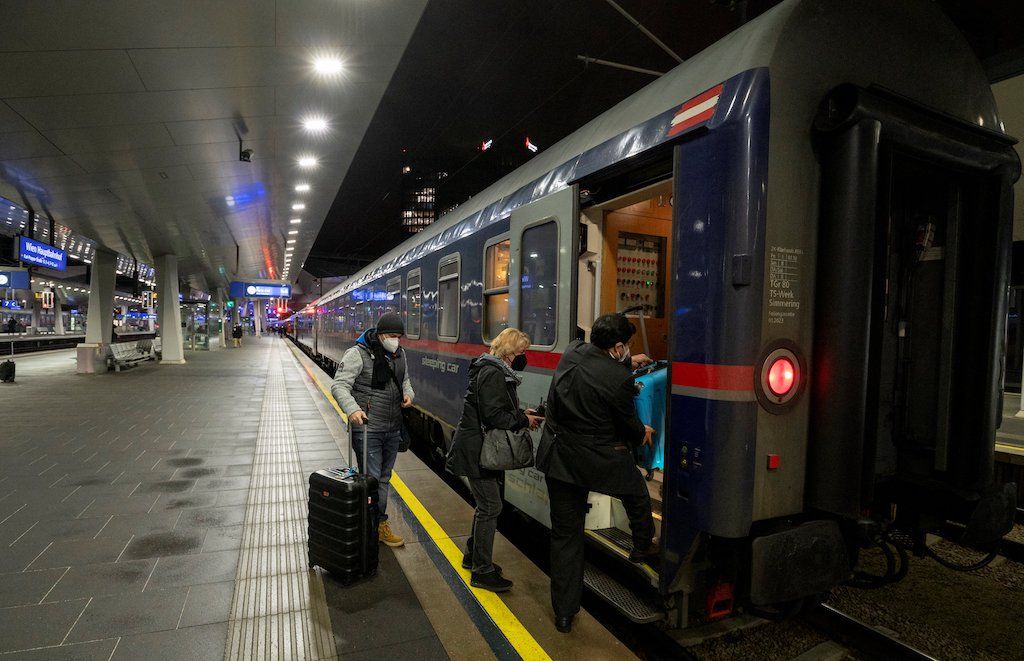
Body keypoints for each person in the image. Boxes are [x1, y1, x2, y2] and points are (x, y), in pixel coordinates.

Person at [536, 313, 657, 633]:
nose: (629, 351)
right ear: (617, 348)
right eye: (627, 347)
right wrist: (642, 430)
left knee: (566, 537)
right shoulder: (619, 381)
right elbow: (628, 425)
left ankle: (564, 613)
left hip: (559, 460)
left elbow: (595, 372)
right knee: (636, 492)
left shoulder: (572, 352)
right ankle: (642, 546)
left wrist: (625, 366)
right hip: (597, 461)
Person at [446, 328, 543, 592]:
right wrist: (523, 420)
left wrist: (523, 413)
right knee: (491, 507)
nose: (523, 357)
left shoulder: (492, 369)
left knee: (486, 506)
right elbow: (493, 416)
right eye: (521, 352)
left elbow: (495, 408)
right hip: (478, 451)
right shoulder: (493, 373)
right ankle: (482, 571)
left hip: (479, 447)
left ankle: (472, 556)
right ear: (509, 352)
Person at [331, 312, 414, 548]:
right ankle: (371, 525)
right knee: (372, 479)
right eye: (391, 336)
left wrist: (409, 394)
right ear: (379, 334)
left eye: (399, 336)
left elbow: (405, 380)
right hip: (367, 428)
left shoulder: (400, 355)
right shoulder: (357, 354)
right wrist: (353, 410)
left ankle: (376, 524)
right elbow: (339, 385)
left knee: (384, 478)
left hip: (392, 427)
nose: (395, 340)